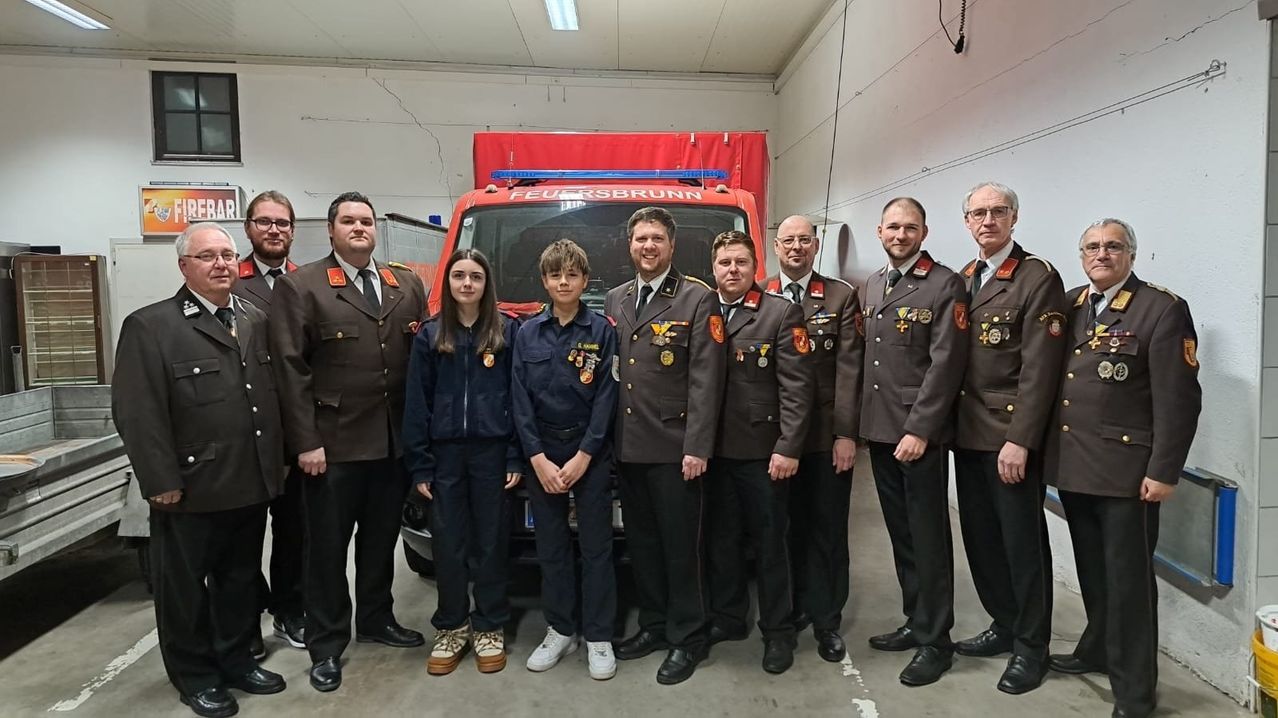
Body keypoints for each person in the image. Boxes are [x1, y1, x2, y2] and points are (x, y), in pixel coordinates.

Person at [112, 222, 287, 718]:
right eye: (208, 256)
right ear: (184, 265)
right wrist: (160, 480)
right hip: (190, 489)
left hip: (248, 482)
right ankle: (195, 676)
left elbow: (263, 400)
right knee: (184, 593)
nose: (221, 264)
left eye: (228, 256)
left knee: (238, 584)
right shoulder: (152, 326)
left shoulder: (251, 318)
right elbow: (137, 412)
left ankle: (236, 661)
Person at [270, 192, 428, 693]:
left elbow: (418, 364)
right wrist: (305, 442)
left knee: (381, 543)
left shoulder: (404, 284)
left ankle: (377, 619)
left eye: (365, 221)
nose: (359, 228)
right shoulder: (303, 287)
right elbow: (289, 371)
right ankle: (326, 644)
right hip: (331, 449)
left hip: (392, 444)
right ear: (331, 230)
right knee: (327, 552)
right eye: (348, 221)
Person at [1044, 218, 1202, 718]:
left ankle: (1135, 692)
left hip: (1128, 474)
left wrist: (1164, 470)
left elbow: (1179, 401)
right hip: (1074, 466)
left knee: (1129, 583)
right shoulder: (1070, 305)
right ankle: (1096, 648)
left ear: (1131, 254)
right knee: (1093, 570)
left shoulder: (1162, 308)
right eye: (1092, 246)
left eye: (1113, 246)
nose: (1102, 254)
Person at [951, 182, 1066, 694]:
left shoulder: (1038, 277)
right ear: (967, 221)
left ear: (1014, 217)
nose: (988, 220)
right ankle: (1003, 623)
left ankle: (1032, 646)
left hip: (1008, 437)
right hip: (967, 431)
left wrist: (1021, 439)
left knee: (1022, 543)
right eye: (978, 213)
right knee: (982, 539)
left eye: (998, 211)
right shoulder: (966, 276)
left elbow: (1041, 369)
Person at [605, 206, 727, 685]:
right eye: (640, 239)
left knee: (682, 550)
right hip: (629, 447)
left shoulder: (697, 299)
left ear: (671, 246)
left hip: (677, 450)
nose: (648, 246)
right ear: (630, 245)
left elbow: (706, 380)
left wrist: (697, 447)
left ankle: (688, 637)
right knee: (644, 546)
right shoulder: (616, 298)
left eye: (656, 238)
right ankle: (654, 625)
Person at [859, 197, 968, 687]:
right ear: (879, 231)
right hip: (881, 431)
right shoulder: (874, 284)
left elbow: (946, 366)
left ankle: (936, 641)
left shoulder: (944, 285)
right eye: (893, 227)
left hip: (916, 436)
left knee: (928, 538)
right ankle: (915, 620)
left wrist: (919, 430)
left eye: (910, 228)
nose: (900, 235)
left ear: (924, 232)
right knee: (902, 536)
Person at [403, 247, 523, 676]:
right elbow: (416, 403)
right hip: (445, 457)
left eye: (475, 276)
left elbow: (517, 399)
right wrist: (420, 463)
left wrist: (513, 453)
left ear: (486, 283)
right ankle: (452, 626)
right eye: (458, 276)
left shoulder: (507, 332)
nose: (467, 284)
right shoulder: (430, 334)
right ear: (448, 283)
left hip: (493, 455)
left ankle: (489, 625)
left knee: (491, 543)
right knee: (448, 545)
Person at [703, 230, 813, 675]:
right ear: (713, 268)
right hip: (715, 453)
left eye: (741, 263)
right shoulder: (701, 309)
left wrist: (788, 447)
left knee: (771, 546)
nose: (733, 270)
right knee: (721, 542)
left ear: (755, 268)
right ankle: (729, 619)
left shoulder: (781, 313)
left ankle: (778, 632)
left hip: (764, 454)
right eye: (725, 263)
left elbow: (798, 389)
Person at [511, 239, 619, 680]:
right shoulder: (527, 333)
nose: (563, 281)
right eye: (556, 274)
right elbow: (518, 400)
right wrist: (536, 458)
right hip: (542, 457)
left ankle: (598, 635)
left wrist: (584, 457)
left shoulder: (602, 331)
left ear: (585, 281)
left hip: (588, 455)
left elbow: (607, 398)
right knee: (551, 549)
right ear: (544, 281)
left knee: (597, 550)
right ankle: (560, 629)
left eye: (572, 274)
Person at [765, 214, 864, 663]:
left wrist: (847, 434)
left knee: (826, 530)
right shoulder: (758, 294)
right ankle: (790, 609)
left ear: (816, 244)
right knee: (782, 531)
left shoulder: (842, 297)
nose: (796, 248)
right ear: (775, 245)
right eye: (789, 240)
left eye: (805, 240)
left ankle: (827, 620)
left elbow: (849, 372)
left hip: (824, 438)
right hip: (773, 440)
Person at [232, 190, 305, 654]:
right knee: (241, 533)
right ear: (249, 228)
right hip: (245, 432)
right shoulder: (228, 281)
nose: (274, 230)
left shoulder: (308, 281)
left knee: (296, 530)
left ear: (293, 230)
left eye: (282, 223)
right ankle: (244, 623)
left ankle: (290, 611)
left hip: (295, 429)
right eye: (265, 222)